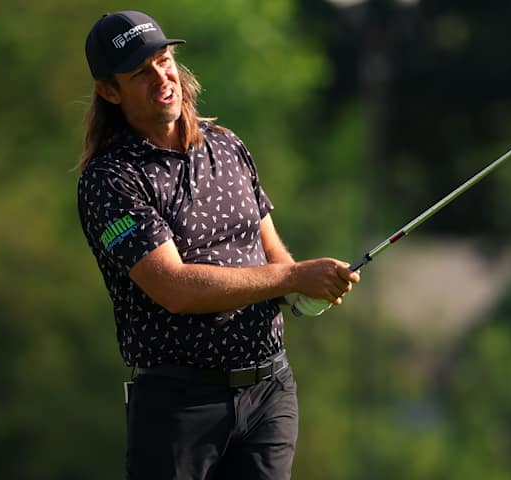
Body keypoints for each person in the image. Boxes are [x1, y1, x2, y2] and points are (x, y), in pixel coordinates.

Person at [76, 10, 360, 480]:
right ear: (110, 91)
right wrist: (292, 277)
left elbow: (272, 252)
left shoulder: (227, 146)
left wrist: (305, 289)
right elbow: (176, 288)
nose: (160, 78)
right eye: (139, 74)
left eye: (163, 61)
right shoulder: (110, 180)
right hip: (178, 405)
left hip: (269, 392)